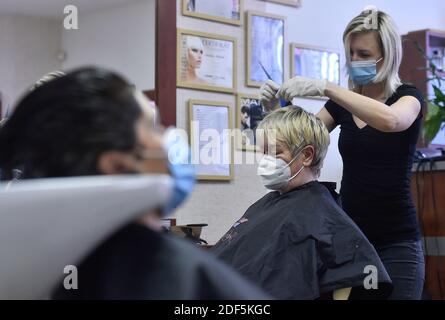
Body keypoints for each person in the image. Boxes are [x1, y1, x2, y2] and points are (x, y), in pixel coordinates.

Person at [0, 67, 269, 300]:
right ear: (118, 165)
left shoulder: (51, 270)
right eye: (154, 127)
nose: (170, 136)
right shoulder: (168, 277)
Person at [260, 8, 425, 300]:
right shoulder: (342, 105)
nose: (354, 61)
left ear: (387, 56)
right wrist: (275, 111)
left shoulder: (408, 98)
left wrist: (326, 87)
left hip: (397, 244)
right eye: (350, 53)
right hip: (352, 241)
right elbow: (300, 143)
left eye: (363, 54)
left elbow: (390, 120)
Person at [211, 106, 392, 300]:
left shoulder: (322, 215)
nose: (265, 161)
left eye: (275, 153)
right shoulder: (266, 205)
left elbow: (359, 279)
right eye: (263, 152)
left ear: (306, 156)